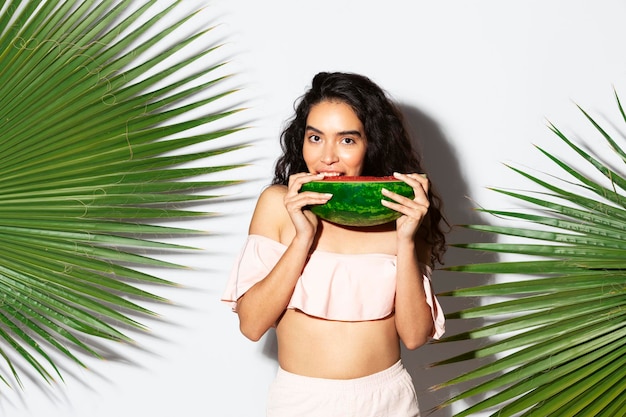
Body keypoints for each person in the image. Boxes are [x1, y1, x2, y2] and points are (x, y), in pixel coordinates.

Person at [222, 71, 448, 417]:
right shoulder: (278, 203)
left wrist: (405, 239)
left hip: (388, 400)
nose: (328, 156)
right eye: (315, 138)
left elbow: (415, 336)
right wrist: (303, 237)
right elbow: (251, 325)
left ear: (370, 143)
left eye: (346, 140)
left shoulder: (402, 209)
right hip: (300, 400)